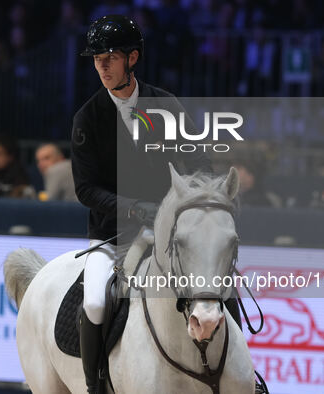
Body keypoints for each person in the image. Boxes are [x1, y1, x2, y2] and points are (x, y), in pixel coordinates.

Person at [71, 15, 238, 394]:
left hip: (172, 232)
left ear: (132, 58)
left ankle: (241, 376)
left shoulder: (165, 104)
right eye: (97, 58)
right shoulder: (88, 118)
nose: (102, 65)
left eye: (110, 57)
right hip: (113, 234)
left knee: (220, 288)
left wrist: (187, 203)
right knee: (96, 301)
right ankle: (94, 384)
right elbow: (85, 190)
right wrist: (134, 208)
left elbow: (199, 163)